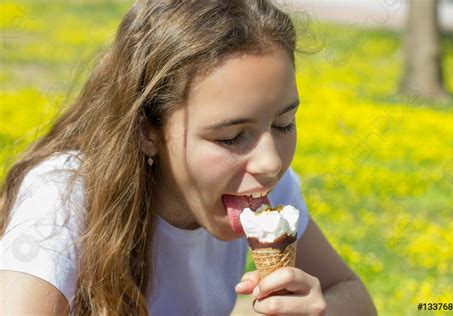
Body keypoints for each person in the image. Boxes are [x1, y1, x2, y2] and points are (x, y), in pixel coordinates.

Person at [0, 0, 377, 315]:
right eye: (230, 137)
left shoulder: (265, 191)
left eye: (283, 124)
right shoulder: (63, 197)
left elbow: (350, 292)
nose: (271, 164)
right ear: (148, 130)